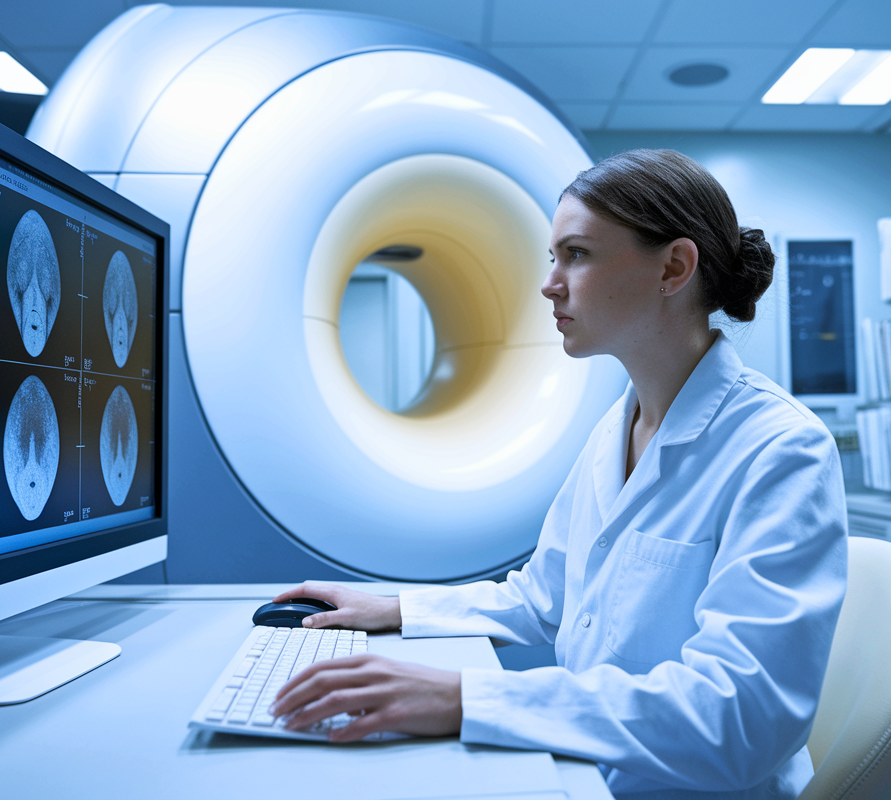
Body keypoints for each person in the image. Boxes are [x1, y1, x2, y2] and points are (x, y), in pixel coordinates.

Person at [269, 149, 848, 800]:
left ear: (674, 267)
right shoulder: (615, 430)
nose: (551, 283)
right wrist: (394, 609)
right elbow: (543, 598)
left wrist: (466, 698)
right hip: (584, 772)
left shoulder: (779, 450)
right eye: (553, 258)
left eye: (577, 254)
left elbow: (741, 719)